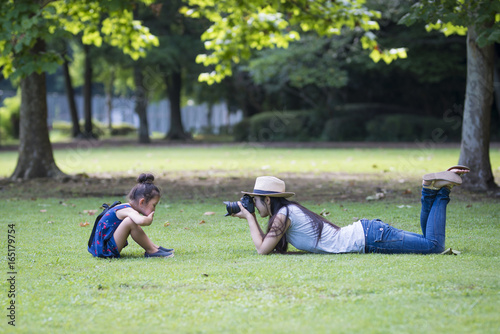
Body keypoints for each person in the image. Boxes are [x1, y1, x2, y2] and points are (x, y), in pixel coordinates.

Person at [231, 166, 470, 255]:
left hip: (370, 237)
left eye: (255, 200)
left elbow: (262, 249)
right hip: (370, 233)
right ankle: (430, 188)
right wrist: (251, 215)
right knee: (425, 240)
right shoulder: (286, 212)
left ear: (268, 200)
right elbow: (269, 247)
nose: (254, 204)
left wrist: (249, 217)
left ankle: (443, 189)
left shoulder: (283, 216)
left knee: (434, 246)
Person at [88, 173, 174, 258]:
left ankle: (155, 248)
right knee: (130, 221)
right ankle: (151, 250)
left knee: (131, 221)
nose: (154, 209)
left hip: (102, 247)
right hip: (104, 250)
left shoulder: (126, 207)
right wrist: (148, 219)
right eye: (154, 205)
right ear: (142, 202)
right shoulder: (129, 210)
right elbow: (141, 221)